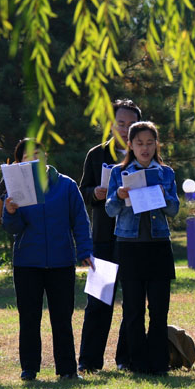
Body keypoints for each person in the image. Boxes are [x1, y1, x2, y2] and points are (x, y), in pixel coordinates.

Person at [3, 139, 94, 381]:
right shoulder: (16, 189)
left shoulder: (66, 185)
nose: (32, 160)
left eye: (37, 154)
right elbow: (13, 228)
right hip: (27, 263)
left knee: (62, 318)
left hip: (61, 262)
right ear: (19, 162)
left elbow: (80, 221)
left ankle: (67, 369)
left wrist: (85, 251)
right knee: (29, 319)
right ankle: (29, 369)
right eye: (26, 156)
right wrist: (9, 212)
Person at [105, 121, 179, 375]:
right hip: (129, 246)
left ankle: (159, 363)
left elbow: (174, 209)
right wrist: (120, 196)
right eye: (139, 143)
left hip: (159, 245)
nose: (145, 148)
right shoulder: (119, 172)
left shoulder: (166, 173)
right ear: (130, 145)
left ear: (156, 144)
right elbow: (109, 209)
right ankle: (138, 362)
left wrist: (163, 195)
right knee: (133, 308)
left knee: (159, 308)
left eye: (149, 143)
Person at [77, 99, 140, 372]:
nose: (125, 130)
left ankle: (126, 359)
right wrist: (95, 193)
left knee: (134, 303)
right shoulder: (96, 154)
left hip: (136, 239)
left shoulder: (144, 153)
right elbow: (83, 191)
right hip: (103, 237)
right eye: (120, 123)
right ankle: (89, 362)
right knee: (99, 302)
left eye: (130, 124)